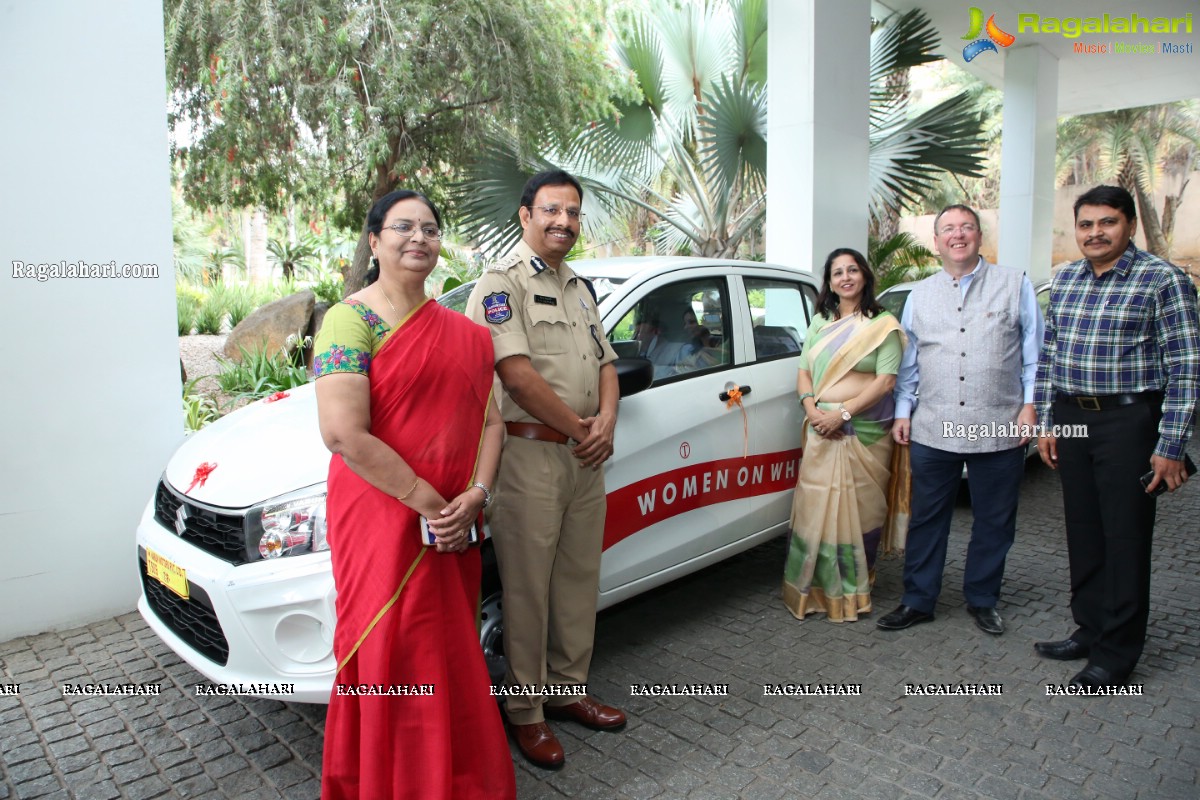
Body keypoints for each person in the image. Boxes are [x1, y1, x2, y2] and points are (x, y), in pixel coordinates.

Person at [314, 190, 515, 800]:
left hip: (454, 516)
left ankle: (453, 779)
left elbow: (492, 423)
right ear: (374, 241)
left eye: (430, 228)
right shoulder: (349, 321)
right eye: (403, 226)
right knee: (387, 645)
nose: (418, 237)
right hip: (382, 515)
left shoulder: (464, 332)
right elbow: (343, 432)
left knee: (445, 645)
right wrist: (432, 504)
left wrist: (476, 495)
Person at [466, 170, 626, 770]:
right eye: (552, 211)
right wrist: (579, 427)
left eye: (574, 212)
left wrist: (605, 418)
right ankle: (526, 714)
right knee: (528, 591)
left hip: (584, 456)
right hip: (530, 456)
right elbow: (516, 375)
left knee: (578, 581)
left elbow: (606, 361)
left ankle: (568, 690)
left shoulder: (580, 287)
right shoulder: (499, 285)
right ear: (525, 215)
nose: (564, 222)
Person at [1034, 185, 1199, 689]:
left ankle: (1117, 654)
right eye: (1086, 224)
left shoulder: (1162, 280)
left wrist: (1170, 445)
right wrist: (1046, 421)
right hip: (1071, 415)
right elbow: (1050, 354)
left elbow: (1187, 365)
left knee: (1124, 536)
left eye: (1106, 222)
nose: (1095, 233)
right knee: (1083, 530)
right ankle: (1090, 628)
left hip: (1129, 422)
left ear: (1129, 225)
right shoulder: (1064, 280)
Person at [877, 204, 1044, 636]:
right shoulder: (919, 296)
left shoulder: (1015, 285)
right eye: (948, 229)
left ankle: (983, 598)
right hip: (934, 424)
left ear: (979, 236)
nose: (958, 235)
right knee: (928, 517)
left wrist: (1030, 405)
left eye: (966, 227)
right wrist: (902, 412)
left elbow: (1035, 355)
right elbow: (910, 363)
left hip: (1000, 424)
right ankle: (918, 600)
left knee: (994, 520)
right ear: (936, 242)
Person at [782, 248, 904, 622]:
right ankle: (811, 589)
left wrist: (844, 414)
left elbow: (885, 383)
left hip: (865, 433)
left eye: (853, 270)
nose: (846, 278)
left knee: (861, 511)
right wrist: (813, 410)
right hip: (821, 427)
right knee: (814, 505)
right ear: (830, 282)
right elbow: (804, 371)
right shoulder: (820, 322)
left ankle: (851, 589)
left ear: (865, 276)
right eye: (838, 273)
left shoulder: (883, 325)